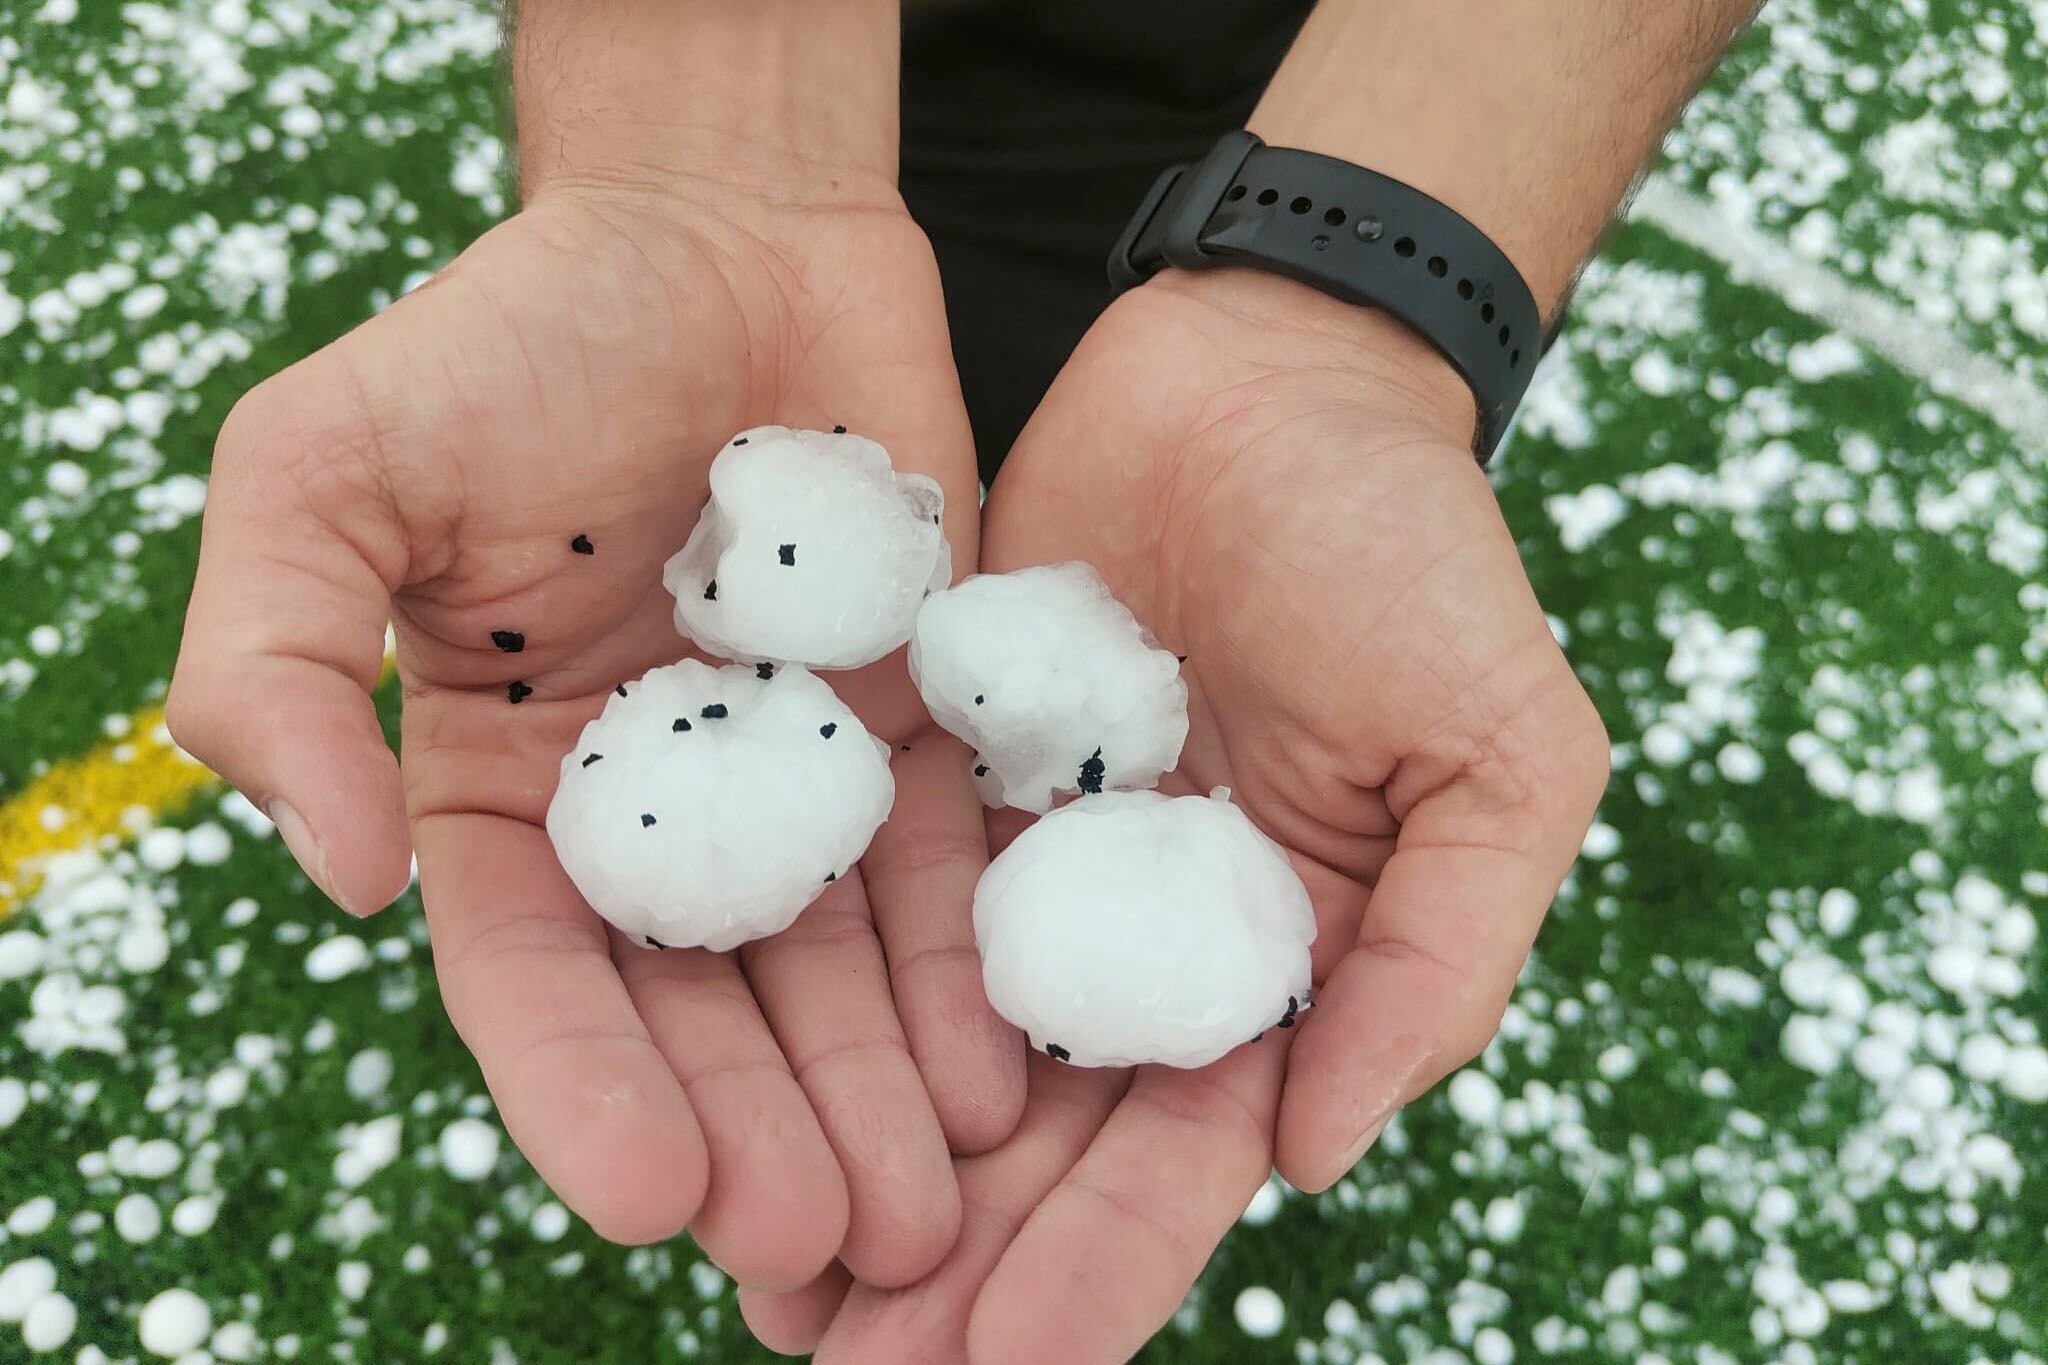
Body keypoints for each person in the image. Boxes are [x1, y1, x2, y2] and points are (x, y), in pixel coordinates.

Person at [167, 0, 1753, 1357]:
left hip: (1324, 96)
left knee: (1170, 486)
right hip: (856, 109)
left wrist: (1361, 312)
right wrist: (694, 165)